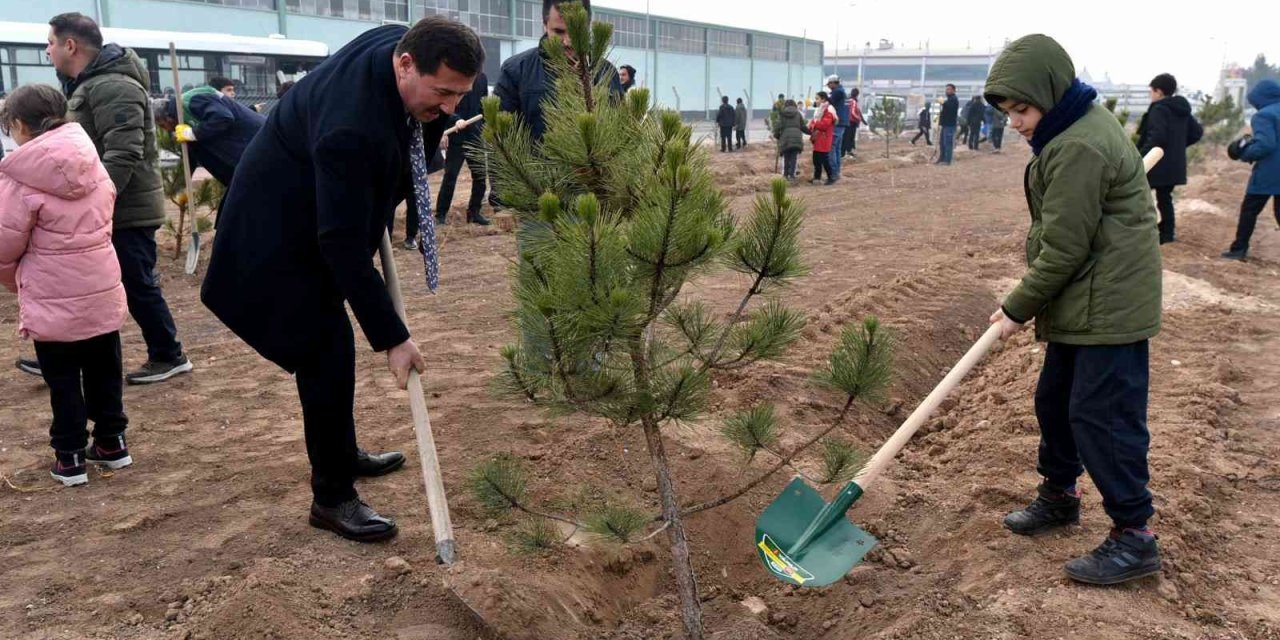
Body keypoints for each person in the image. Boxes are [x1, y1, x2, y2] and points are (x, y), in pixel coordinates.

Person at [200, 17, 485, 542]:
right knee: (324, 351)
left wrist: (420, 127)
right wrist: (394, 339)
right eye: (442, 92)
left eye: (459, 96)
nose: (450, 108)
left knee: (333, 350)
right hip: (277, 234)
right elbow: (345, 247)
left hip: (318, 204)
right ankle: (331, 496)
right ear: (405, 64)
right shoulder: (351, 130)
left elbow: (370, 191)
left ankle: (342, 451)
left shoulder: (398, 38)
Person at [985, 34, 1163, 586]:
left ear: (1052, 93)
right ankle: (1060, 495)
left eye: (1022, 109)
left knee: (1103, 418)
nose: (1015, 122)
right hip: (1084, 296)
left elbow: (1065, 247)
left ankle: (1134, 538)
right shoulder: (1072, 128)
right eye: (1007, 111)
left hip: (1106, 304)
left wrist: (1016, 307)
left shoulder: (1078, 146)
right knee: (1056, 400)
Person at [44, 13, 192, 385]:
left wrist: (94, 202)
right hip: (111, 206)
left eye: (50, 43)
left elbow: (122, 152)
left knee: (137, 284)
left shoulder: (112, 85)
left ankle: (168, 355)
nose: (47, 51)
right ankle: (65, 350)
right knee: (85, 282)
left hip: (126, 210)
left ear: (70, 45)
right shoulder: (88, 84)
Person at [0, 84, 130, 487]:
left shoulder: (19, 177)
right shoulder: (91, 160)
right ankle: (112, 443)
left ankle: (70, 456)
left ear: (20, 125)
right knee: (104, 370)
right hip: (100, 285)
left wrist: (13, 281)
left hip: (52, 296)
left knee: (62, 380)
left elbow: (5, 242)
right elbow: (107, 208)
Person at [494, 0, 622, 143]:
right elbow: (500, 139)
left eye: (576, 31)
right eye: (559, 32)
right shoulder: (516, 70)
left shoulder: (606, 72)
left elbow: (620, 132)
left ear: (588, 27)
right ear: (544, 25)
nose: (568, 41)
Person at [155, 80, 267, 188]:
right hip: (244, 160)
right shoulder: (183, 123)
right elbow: (191, 155)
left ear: (167, 117)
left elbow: (223, 118)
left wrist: (192, 133)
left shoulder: (191, 101)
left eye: (162, 125)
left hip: (259, 146)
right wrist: (182, 187)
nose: (166, 130)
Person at [1136, 73, 1203, 245]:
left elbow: (1156, 137)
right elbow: (1197, 133)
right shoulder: (1181, 110)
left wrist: (1139, 156)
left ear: (1158, 91)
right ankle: (1167, 233)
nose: (1151, 95)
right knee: (1165, 197)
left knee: (1138, 194)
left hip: (1156, 162)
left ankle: (1142, 231)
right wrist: (1177, 147)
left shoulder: (1159, 109)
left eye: (1151, 91)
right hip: (1173, 164)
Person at [1221, 79, 1280, 261]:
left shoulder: (1263, 115)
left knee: (1249, 209)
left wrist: (1245, 152)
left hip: (1270, 172)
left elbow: (1265, 144)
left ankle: (1239, 249)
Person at [435, 71, 492, 227]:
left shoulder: (481, 78)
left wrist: (487, 126)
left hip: (475, 135)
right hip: (457, 136)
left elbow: (483, 105)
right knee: (450, 177)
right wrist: (456, 119)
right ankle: (440, 215)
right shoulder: (456, 75)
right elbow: (446, 105)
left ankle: (474, 213)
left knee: (480, 177)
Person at [772, 98, 808, 182]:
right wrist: (811, 132)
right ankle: (792, 175)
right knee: (793, 158)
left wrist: (777, 136)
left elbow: (777, 127)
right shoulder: (798, 114)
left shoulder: (782, 114)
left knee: (786, 157)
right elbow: (803, 127)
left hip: (785, 138)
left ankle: (785, 175)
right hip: (797, 138)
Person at [808, 91, 836, 185]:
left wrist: (814, 124)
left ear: (823, 99)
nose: (816, 101)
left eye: (817, 98)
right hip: (818, 138)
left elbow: (824, 125)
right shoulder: (819, 110)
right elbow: (812, 122)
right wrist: (813, 124)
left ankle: (831, 177)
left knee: (825, 159)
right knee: (816, 159)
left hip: (824, 138)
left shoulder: (829, 110)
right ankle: (817, 177)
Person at [825, 75, 848, 182]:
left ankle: (833, 173)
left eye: (829, 84)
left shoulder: (837, 92)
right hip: (842, 123)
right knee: (837, 149)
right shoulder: (841, 91)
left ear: (834, 83)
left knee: (831, 148)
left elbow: (828, 102)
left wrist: (817, 102)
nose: (829, 87)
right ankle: (837, 172)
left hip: (837, 123)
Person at [937, 84, 959, 165]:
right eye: (946, 89)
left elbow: (950, 108)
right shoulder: (949, 99)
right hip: (945, 124)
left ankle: (947, 160)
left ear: (953, 90)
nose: (947, 91)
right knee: (942, 143)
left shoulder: (954, 99)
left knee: (947, 143)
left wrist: (943, 103)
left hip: (950, 125)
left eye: (949, 89)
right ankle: (942, 158)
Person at [842, 87, 864, 158]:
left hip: (845, 121)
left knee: (845, 137)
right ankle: (849, 151)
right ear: (857, 94)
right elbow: (853, 112)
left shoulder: (847, 100)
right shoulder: (853, 101)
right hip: (852, 122)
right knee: (850, 137)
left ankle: (843, 152)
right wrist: (859, 119)